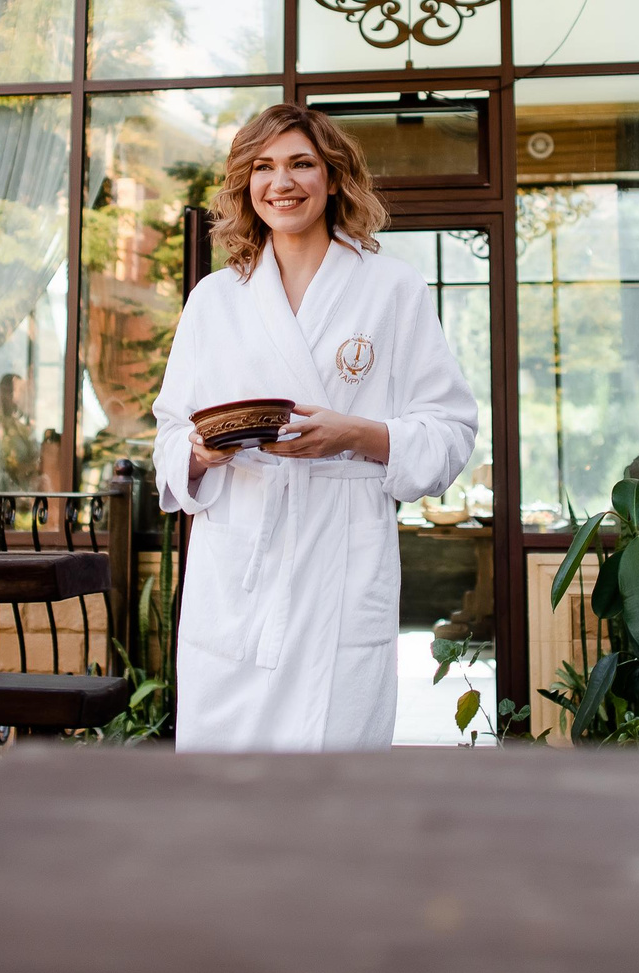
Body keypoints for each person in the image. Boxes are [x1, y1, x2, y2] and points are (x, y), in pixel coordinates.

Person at [152, 103, 478, 750]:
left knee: (334, 765)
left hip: (341, 556)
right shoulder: (214, 300)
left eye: (302, 163)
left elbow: (450, 431)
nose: (283, 181)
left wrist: (355, 434)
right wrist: (197, 451)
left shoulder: (391, 289)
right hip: (238, 559)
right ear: (247, 184)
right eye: (264, 167)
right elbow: (168, 435)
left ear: (332, 177)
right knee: (224, 775)